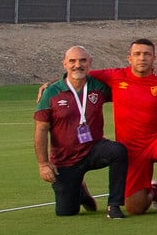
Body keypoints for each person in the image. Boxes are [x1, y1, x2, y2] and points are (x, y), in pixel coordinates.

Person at [34, 46, 129, 218]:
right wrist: (43, 164)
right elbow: (41, 129)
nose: (78, 65)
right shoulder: (52, 92)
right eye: (72, 61)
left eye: (83, 60)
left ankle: (114, 205)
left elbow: (129, 84)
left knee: (118, 151)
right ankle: (80, 190)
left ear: (90, 63)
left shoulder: (98, 87)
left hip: (93, 149)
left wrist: (153, 69)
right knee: (66, 212)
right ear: (64, 64)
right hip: (65, 159)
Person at [88, 37, 157, 213]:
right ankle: (154, 190)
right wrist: (52, 85)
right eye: (137, 54)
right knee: (134, 208)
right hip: (131, 148)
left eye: (147, 54)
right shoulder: (115, 76)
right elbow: (79, 74)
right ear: (129, 58)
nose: (142, 58)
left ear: (154, 58)